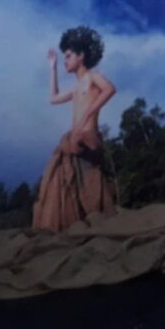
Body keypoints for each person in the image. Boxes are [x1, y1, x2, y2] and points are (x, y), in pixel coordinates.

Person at [32, 26, 117, 231]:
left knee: (88, 183)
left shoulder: (93, 77)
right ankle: (73, 225)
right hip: (75, 139)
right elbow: (53, 98)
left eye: (68, 56)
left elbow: (110, 89)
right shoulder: (76, 88)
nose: (65, 60)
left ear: (81, 55)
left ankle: (95, 222)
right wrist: (52, 67)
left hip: (87, 138)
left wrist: (88, 114)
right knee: (65, 180)